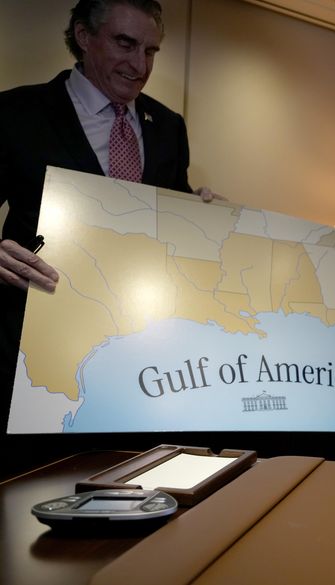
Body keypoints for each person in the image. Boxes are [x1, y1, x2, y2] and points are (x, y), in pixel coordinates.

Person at [0, 0, 223, 431]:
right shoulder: (14, 114)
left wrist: (201, 213)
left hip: (140, 356)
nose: (140, 64)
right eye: (126, 43)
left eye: (151, 51)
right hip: (36, 355)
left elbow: (168, 222)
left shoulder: (168, 126)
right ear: (84, 37)